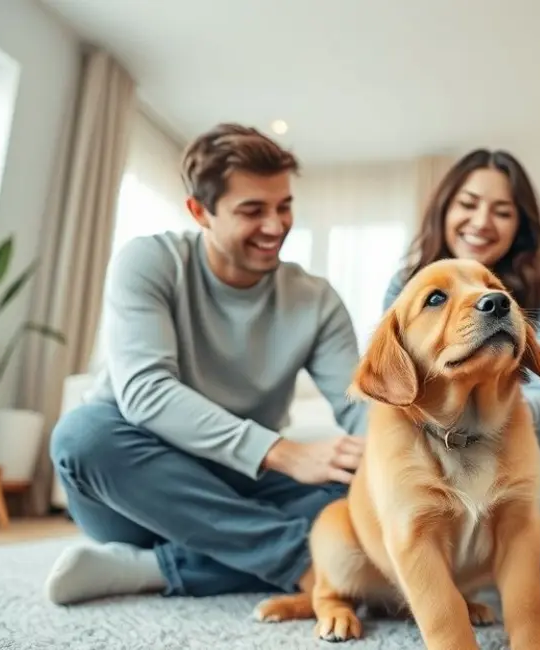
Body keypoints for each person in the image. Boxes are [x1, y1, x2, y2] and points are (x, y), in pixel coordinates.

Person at [44, 123, 368, 605]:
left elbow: (359, 402)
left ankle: (152, 568)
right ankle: (304, 563)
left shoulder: (316, 300)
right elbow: (146, 392)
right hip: (139, 483)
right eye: (252, 211)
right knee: (81, 435)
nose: (275, 226)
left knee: (361, 494)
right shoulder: (149, 262)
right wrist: (283, 452)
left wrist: (391, 463)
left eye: (284, 206)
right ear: (199, 211)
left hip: (239, 486)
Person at [382, 149, 540, 568]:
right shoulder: (405, 284)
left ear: (520, 224)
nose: (481, 222)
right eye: (468, 204)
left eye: (502, 212)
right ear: (444, 208)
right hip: (427, 434)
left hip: (524, 430)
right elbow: (396, 387)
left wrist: (480, 424)